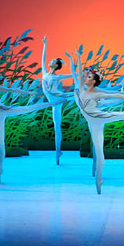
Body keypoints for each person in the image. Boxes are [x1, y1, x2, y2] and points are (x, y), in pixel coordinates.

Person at [65, 49, 124, 194]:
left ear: (94, 81)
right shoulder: (81, 89)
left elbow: (116, 94)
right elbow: (76, 73)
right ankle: (98, 175)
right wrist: (78, 58)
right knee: (98, 149)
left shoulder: (97, 93)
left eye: (89, 76)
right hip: (92, 121)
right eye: (86, 75)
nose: (85, 77)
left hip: (99, 116)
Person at [0, 45, 62, 183]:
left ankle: (53, 103)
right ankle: (0, 168)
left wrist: (28, 93)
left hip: (4, 110)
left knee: (28, 108)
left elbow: (13, 90)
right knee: (0, 145)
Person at [41, 35, 75, 165]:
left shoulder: (58, 76)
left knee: (75, 94)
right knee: (57, 127)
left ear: (56, 65)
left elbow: (73, 75)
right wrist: (45, 44)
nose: (50, 61)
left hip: (59, 99)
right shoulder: (44, 73)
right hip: (54, 103)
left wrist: (83, 74)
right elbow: (43, 59)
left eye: (53, 60)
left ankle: (58, 151)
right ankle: (58, 151)